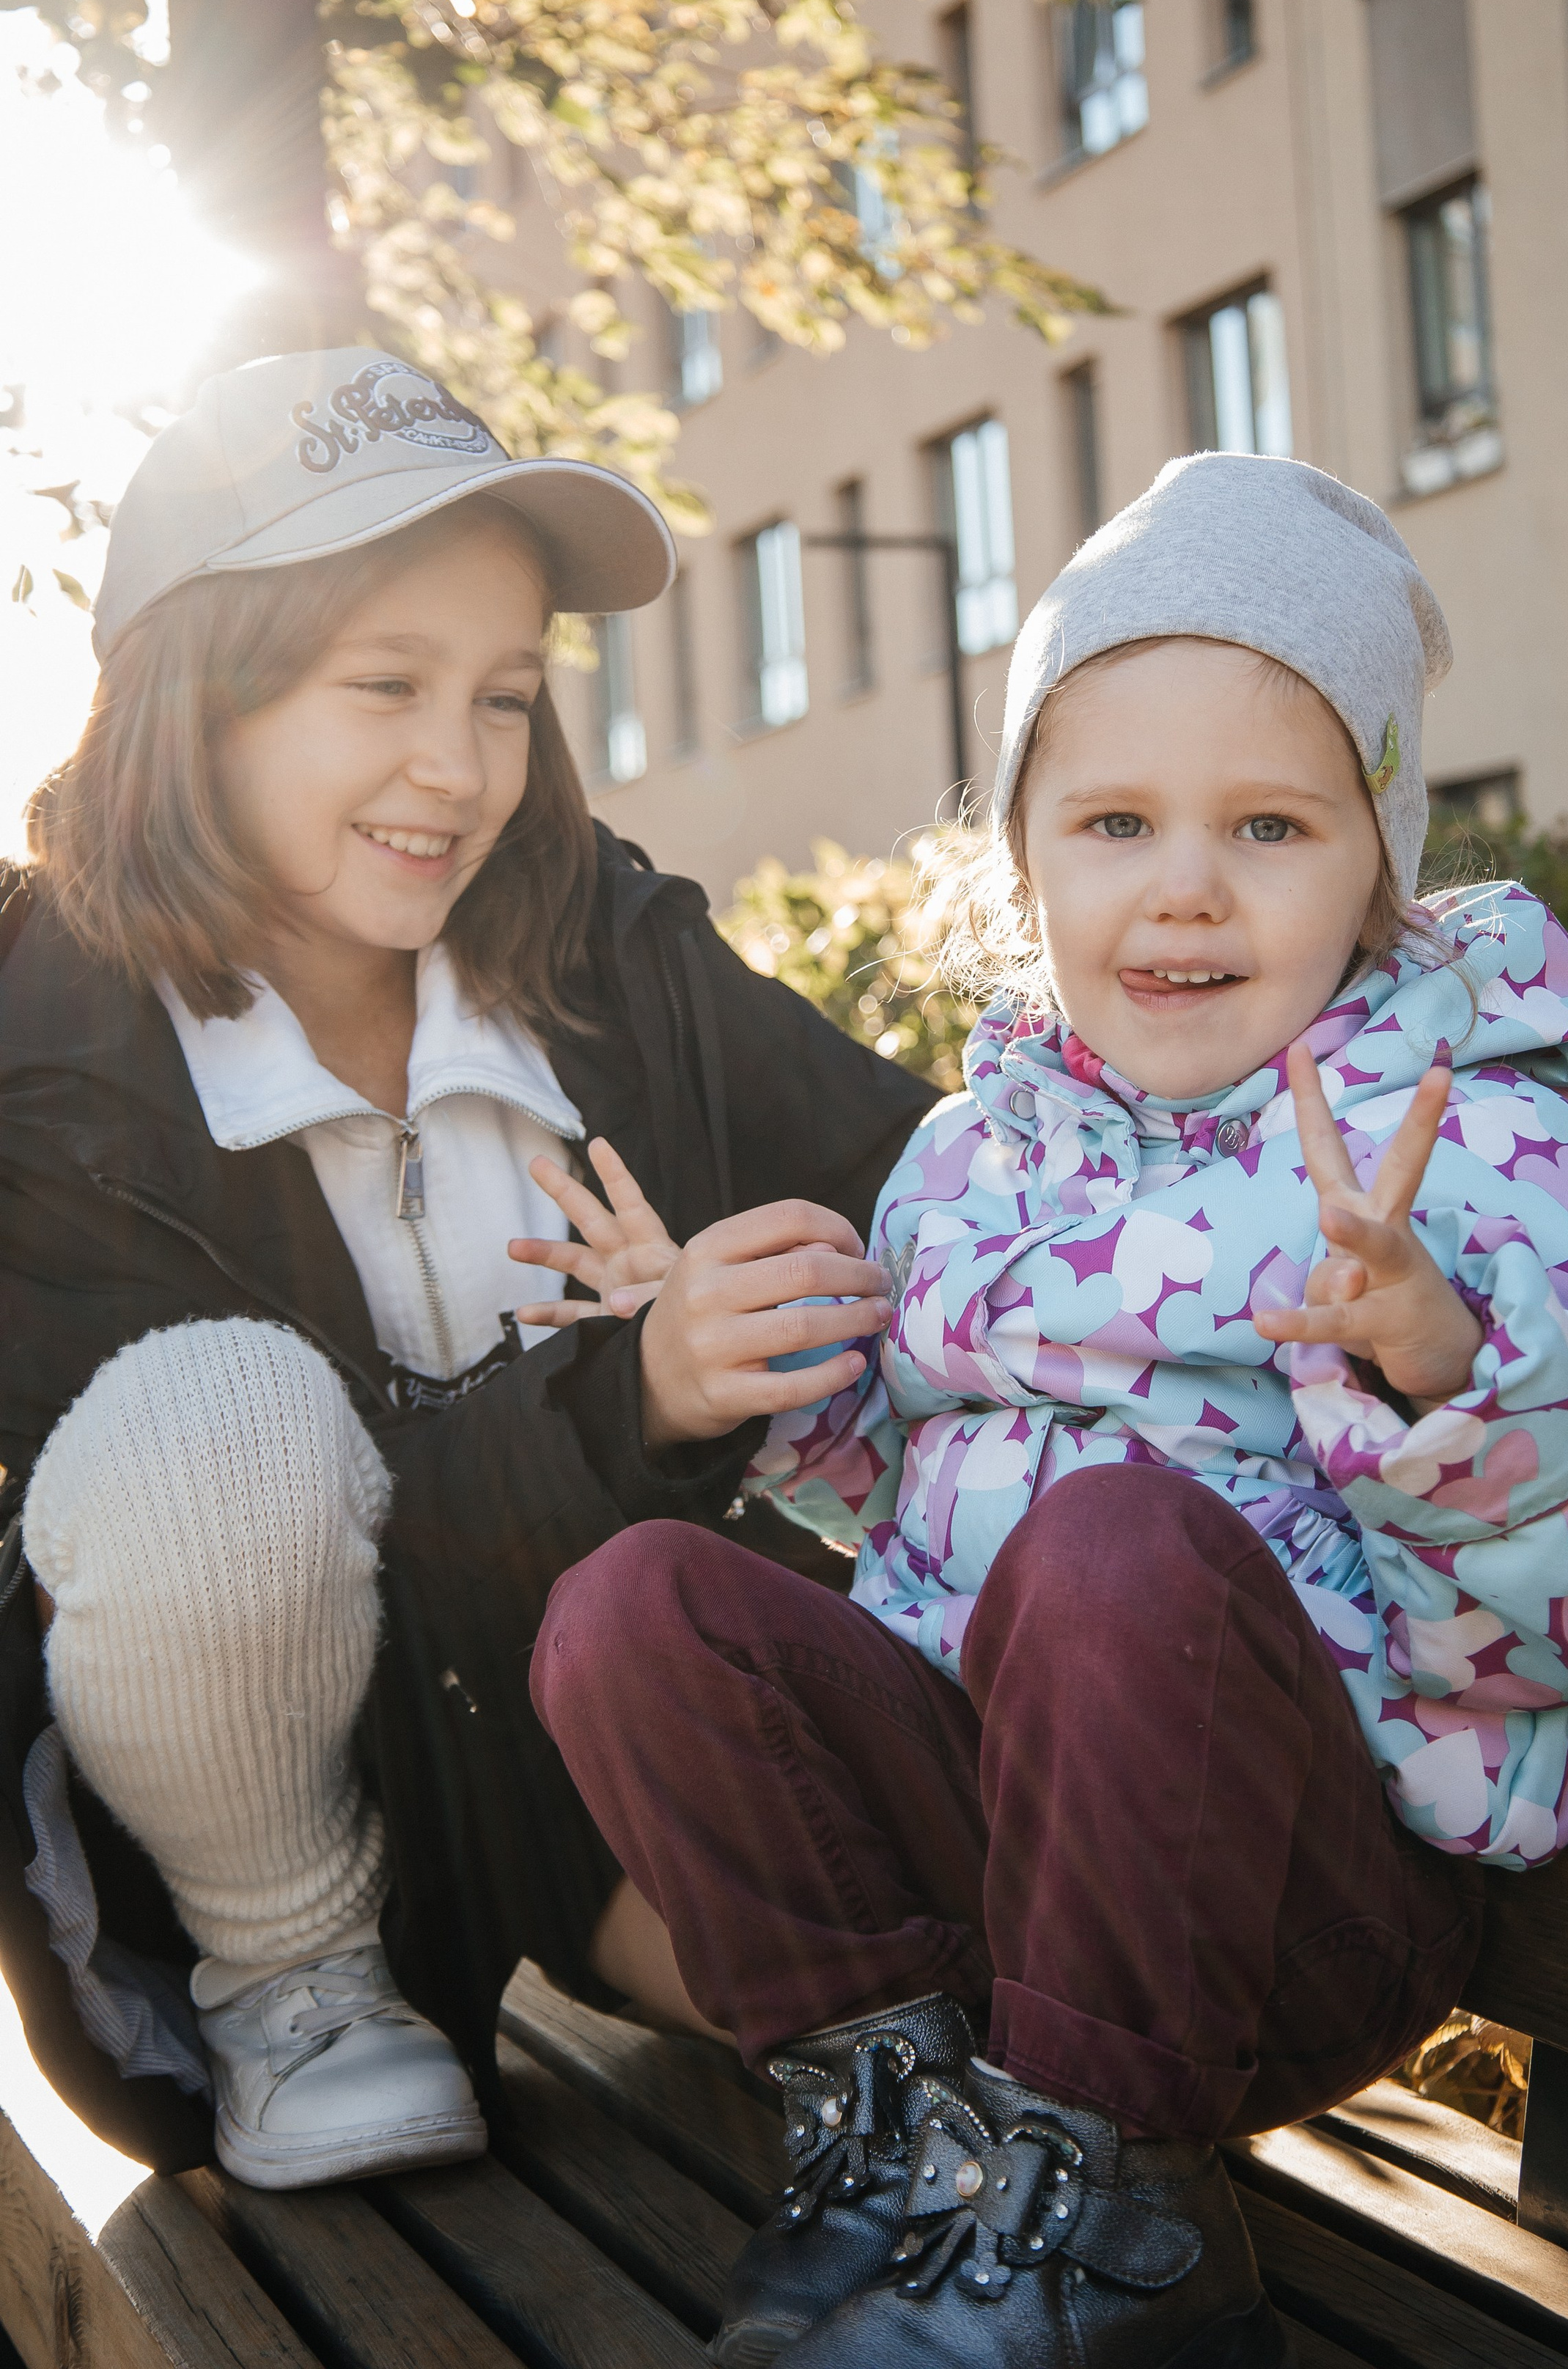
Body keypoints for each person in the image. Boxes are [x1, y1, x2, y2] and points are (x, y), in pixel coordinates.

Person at [532, 452, 1568, 2369]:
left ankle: (1111, 2214)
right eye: (1113, 822)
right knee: (631, 1605)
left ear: (1375, 856)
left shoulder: (1465, 1144)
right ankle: (915, 2153)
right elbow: (913, 1509)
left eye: (1266, 825)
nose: (1182, 887)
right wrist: (770, 1375)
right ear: (1029, 859)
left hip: (1286, 1907)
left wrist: (1434, 1365)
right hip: (1006, 1877)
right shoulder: (973, 1152)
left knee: (1113, 1551)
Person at [0, 347, 930, 2189]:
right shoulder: (45, 1050)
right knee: (213, 1425)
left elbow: (937, 1187)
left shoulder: (612, 952)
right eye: (385, 688)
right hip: (251, 1844)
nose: (462, 768)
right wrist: (635, 1389)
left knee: (945, 1968)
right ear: (200, 705)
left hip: (591, 1744)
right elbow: (304, 1524)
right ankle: (305, 1986)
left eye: (504, 698)